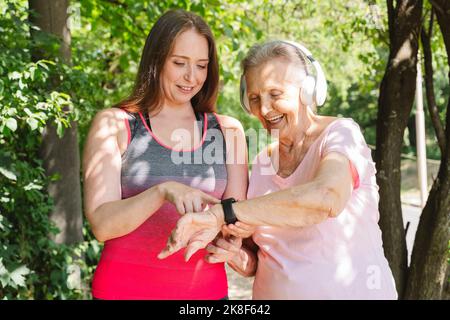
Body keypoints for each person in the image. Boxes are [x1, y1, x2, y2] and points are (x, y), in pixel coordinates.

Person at [158, 40, 398, 300]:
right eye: (254, 98)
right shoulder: (262, 162)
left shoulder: (341, 135)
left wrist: (222, 213)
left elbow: (325, 199)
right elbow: (258, 262)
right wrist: (236, 254)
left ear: (307, 90)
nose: (263, 109)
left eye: (275, 95)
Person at [82, 9, 248, 300]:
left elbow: (237, 221)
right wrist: (161, 191)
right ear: (156, 60)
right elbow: (102, 225)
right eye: (180, 63)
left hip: (204, 296)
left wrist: (232, 240)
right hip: (122, 291)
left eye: (201, 65)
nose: (191, 77)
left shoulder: (228, 131)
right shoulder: (115, 124)